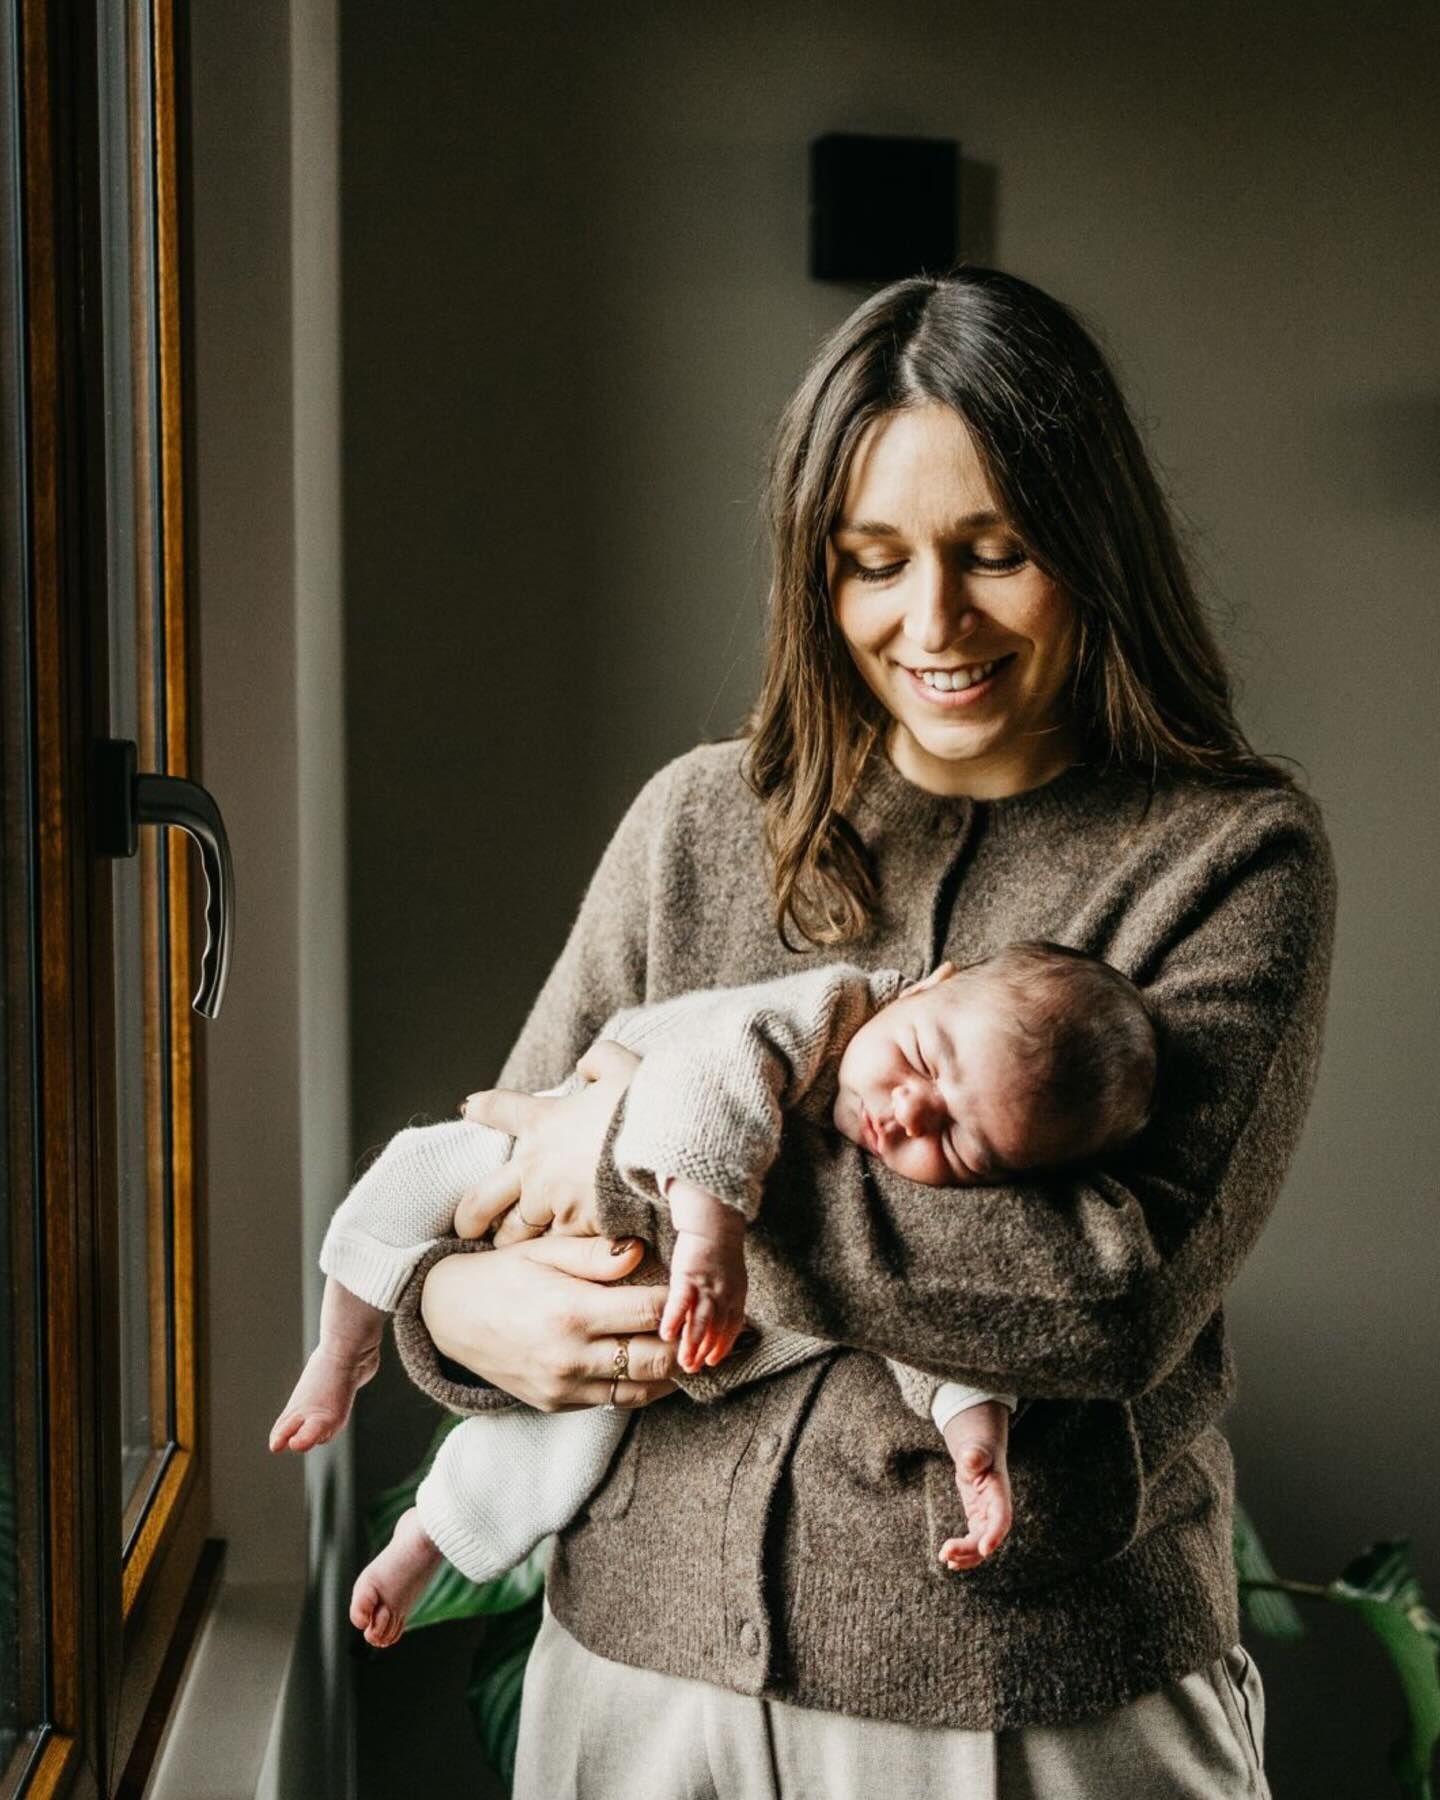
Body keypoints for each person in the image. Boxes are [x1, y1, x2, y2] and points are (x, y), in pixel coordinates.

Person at [392, 268, 1333, 1798]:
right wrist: (449, 1314)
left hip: (1035, 1703)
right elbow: (497, 1171)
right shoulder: (701, 820)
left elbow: (1101, 1300)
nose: (931, 619)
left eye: (995, 553)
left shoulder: (1224, 858)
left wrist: (637, 1156)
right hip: (632, 1685)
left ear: (1089, 549)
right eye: (872, 562)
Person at [272, 944, 1157, 1646]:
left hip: (637, 1324)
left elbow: (948, 1323)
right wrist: (709, 1235)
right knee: (416, 1171)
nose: (908, 1113)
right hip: (555, 1161)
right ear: (929, 985)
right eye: (921, 1059)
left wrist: (977, 1435)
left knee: (567, 1445)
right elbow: (713, 1081)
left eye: (961, 1142)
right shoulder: (829, 1012)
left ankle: (425, 1539)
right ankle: (342, 1345)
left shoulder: (930, 1193)